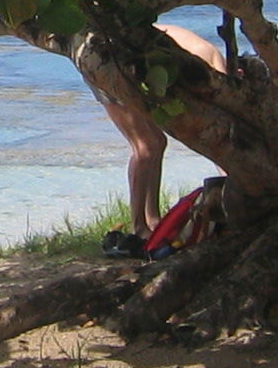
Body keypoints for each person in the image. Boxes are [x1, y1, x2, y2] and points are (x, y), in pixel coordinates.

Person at [95, 23, 235, 239]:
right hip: (109, 61)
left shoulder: (218, 71)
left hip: (139, 67)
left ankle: (153, 219)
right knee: (146, 147)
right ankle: (138, 227)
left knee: (158, 142)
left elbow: (217, 137)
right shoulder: (205, 66)